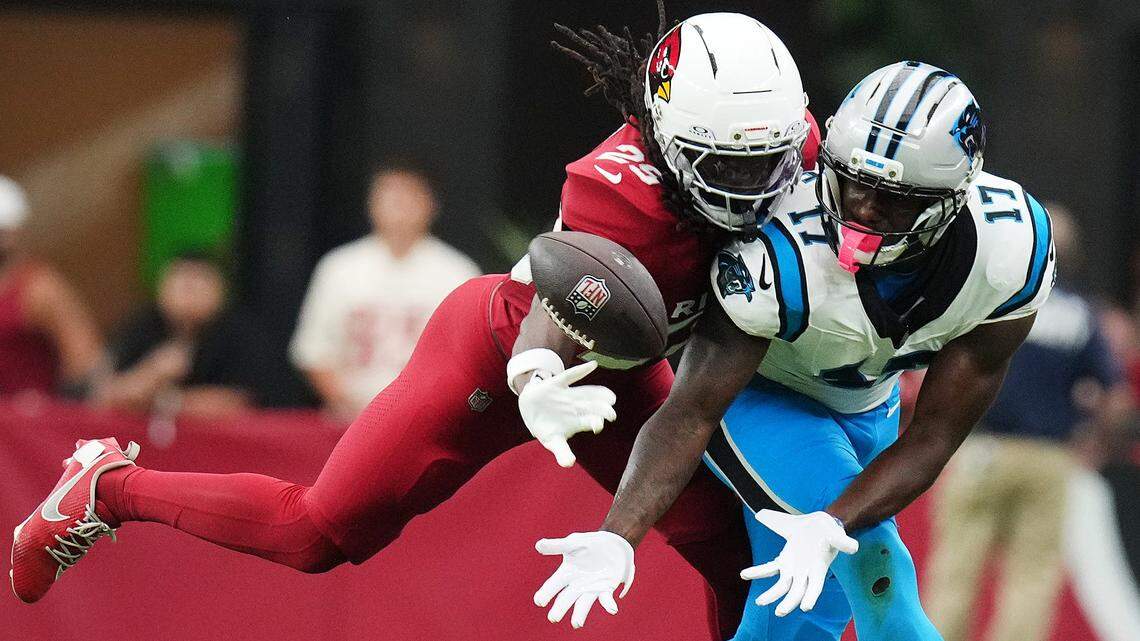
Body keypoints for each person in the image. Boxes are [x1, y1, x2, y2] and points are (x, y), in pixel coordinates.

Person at [10, 9, 820, 639]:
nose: (760, 184)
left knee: (731, 551)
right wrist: (535, 378)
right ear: (669, 142)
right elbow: (555, 307)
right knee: (316, 534)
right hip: (505, 350)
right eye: (732, 165)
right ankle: (107, 488)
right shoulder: (614, 193)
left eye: (772, 159)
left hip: (622, 373)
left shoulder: (789, 141)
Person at [534, 61, 1054, 641]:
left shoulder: (1011, 254)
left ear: (953, 198)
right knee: (878, 566)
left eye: (893, 199)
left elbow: (933, 437)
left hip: (868, 406)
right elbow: (691, 409)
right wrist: (617, 534)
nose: (861, 208)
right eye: (850, 180)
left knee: (801, 618)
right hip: (761, 398)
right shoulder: (777, 251)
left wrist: (830, 521)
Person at [923, 204, 1131, 641]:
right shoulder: (1083, 315)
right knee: (1031, 577)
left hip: (983, 449)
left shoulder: (999, 297)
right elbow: (1115, 396)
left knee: (956, 568)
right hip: (1050, 457)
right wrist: (1094, 443)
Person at [290, 164, 480, 421]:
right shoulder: (339, 267)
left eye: (409, 198)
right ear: (371, 204)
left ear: (431, 205)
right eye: (390, 198)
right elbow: (314, 351)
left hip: (428, 419)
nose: (399, 208)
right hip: (348, 420)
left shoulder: (457, 271)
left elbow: (470, 359)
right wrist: (355, 408)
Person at [92, 251, 262, 420]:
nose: (189, 292)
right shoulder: (140, 327)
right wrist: (154, 372)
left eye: (200, 281)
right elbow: (104, 395)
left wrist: (168, 403)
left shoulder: (242, 334)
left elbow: (241, 402)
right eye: (181, 281)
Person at [0, 175, 105, 398]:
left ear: (14, 232)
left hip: (27, 421)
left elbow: (86, 362)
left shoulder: (40, 288)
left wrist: (55, 406)